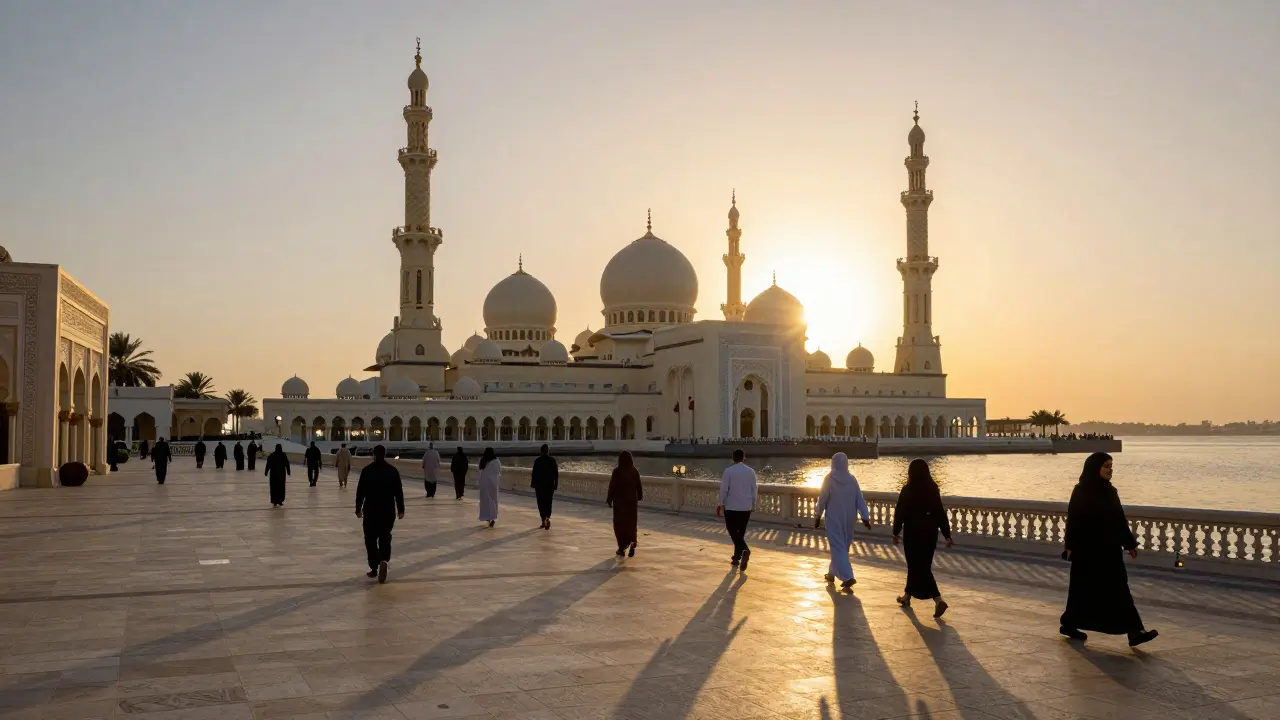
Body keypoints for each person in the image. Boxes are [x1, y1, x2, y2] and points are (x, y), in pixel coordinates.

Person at [1059, 453, 1159, 647]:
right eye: (1106, 466)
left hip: (1109, 549)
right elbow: (1074, 519)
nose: (1110, 470)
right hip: (1086, 550)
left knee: (1120, 588)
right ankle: (1069, 624)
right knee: (1081, 590)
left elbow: (1119, 519)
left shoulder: (1110, 491)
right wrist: (1070, 546)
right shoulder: (1081, 491)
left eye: (1111, 466)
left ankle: (1134, 632)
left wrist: (1129, 543)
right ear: (1094, 468)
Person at [892, 459, 953, 617]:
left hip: (913, 532)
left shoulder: (908, 489)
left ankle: (938, 600)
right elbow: (939, 511)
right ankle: (907, 596)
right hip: (930, 533)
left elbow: (901, 512)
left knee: (917, 567)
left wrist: (895, 531)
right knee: (920, 565)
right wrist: (947, 534)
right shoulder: (932, 488)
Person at [815, 452, 871, 591]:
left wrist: (817, 515)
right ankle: (831, 574)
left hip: (834, 518)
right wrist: (865, 517)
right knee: (842, 546)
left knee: (837, 546)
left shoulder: (830, 478)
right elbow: (860, 500)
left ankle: (848, 577)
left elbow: (822, 499)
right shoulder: (852, 479)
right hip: (849, 518)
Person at [355, 444, 405, 584]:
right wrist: (401, 509)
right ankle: (384, 559)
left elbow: (361, 491)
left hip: (371, 510)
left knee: (370, 540)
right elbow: (398, 492)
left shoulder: (367, 471)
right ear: (385, 454)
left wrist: (358, 508)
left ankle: (374, 567)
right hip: (387, 510)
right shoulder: (392, 471)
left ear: (374, 455)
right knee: (385, 537)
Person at [717, 449, 758, 570]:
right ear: (743, 458)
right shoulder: (751, 471)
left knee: (732, 531)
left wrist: (721, 503)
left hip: (731, 506)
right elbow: (754, 489)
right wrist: (753, 505)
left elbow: (724, 489)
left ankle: (745, 550)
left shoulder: (728, 471)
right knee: (740, 533)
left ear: (733, 458)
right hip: (746, 507)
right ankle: (736, 558)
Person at [607, 451, 643, 557]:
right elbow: (639, 486)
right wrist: (639, 496)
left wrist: (609, 499)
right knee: (631, 524)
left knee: (619, 525)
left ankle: (621, 548)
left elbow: (612, 486)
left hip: (620, 503)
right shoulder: (634, 471)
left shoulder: (617, 471)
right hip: (632, 503)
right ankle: (632, 541)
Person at [530, 444, 559, 529]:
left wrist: (533, 484)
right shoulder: (552, 460)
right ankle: (547, 517)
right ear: (547, 451)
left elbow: (534, 473)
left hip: (539, 486)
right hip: (549, 485)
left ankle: (543, 519)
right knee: (548, 502)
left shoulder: (538, 460)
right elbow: (556, 474)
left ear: (541, 451)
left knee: (541, 502)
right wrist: (556, 484)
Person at [477, 447, 501, 527]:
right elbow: (497, 473)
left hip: (484, 483)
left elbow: (479, 472)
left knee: (486, 501)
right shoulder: (496, 461)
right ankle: (493, 517)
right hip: (492, 483)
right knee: (493, 500)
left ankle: (487, 516)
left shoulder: (483, 460)